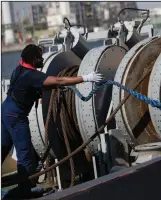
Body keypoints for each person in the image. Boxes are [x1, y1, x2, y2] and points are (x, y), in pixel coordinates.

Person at [1, 44, 104, 198]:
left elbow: (27, 89)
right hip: (16, 116)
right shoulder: (31, 75)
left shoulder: (19, 69)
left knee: (3, 147)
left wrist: (42, 93)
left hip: (5, 110)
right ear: (34, 59)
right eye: (40, 58)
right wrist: (86, 78)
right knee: (25, 154)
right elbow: (59, 80)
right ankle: (24, 192)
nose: (42, 60)